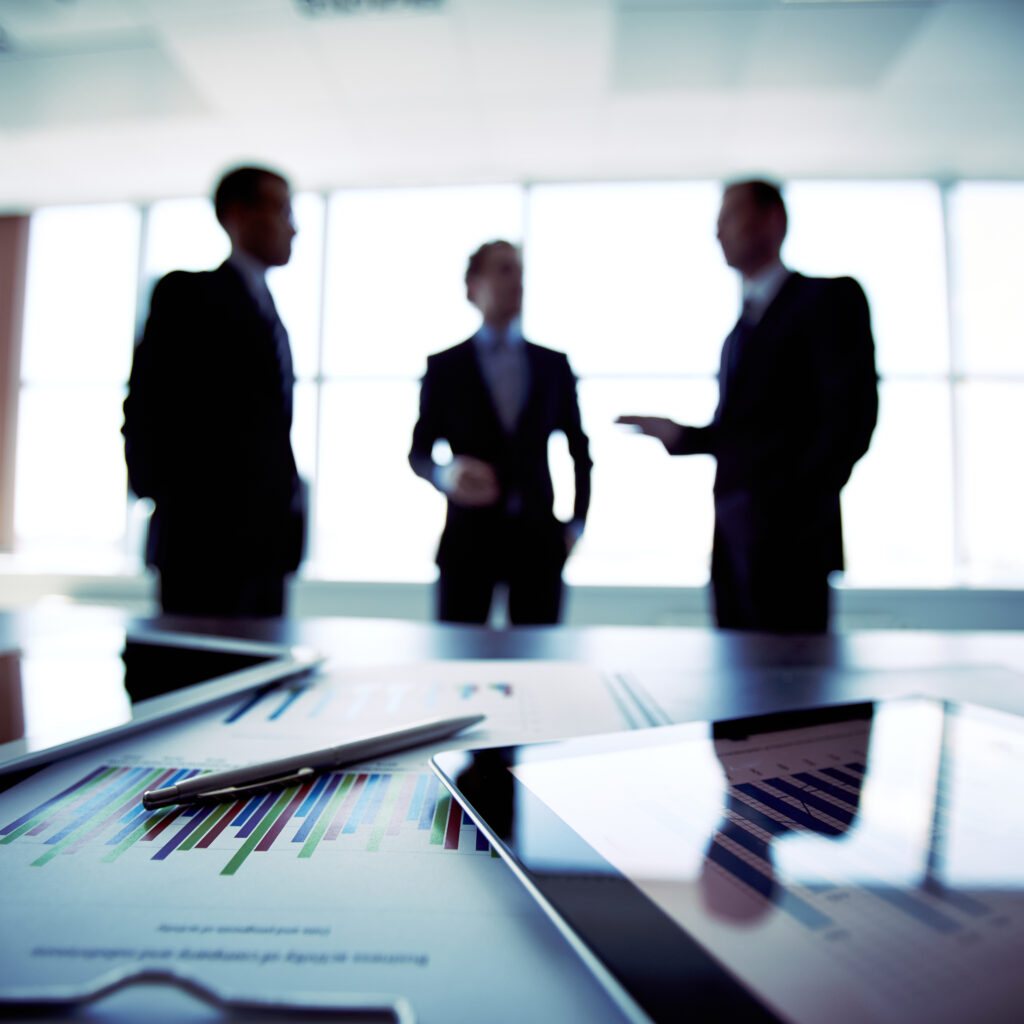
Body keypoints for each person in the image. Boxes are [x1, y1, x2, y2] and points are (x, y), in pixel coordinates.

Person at [618, 180, 878, 633]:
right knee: (738, 682)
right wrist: (679, 435)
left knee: (797, 688)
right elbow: (742, 433)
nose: (718, 232)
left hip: (794, 540)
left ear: (773, 220)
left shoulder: (829, 299)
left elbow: (851, 417)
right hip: (732, 538)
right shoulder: (736, 334)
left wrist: (796, 510)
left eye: (729, 217)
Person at [122, 165, 305, 617]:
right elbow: (146, 405)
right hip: (200, 546)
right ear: (238, 214)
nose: (293, 227)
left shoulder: (271, 311)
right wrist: (164, 498)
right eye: (281, 210)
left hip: (268, 550)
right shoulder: (187, 294)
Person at [409, 240, 592, 625]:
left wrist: (576, 524)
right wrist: (448, 474)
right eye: (505, 270)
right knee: (456, 660)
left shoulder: (552, 365)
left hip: (539, 542)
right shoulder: (445, 367)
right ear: (473, 286)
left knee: (540, 666)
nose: (517, 282)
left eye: (520, 271)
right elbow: (419, 453)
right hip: (467, 541)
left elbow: (580, 451)